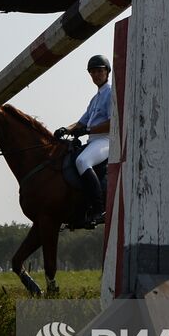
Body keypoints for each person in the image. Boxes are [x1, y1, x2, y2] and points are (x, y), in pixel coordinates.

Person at [54, 54, 113, 228]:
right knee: (70, 158)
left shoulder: (110, 93)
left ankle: (99, 209)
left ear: (107, 72)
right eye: (92, 72)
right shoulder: (94, 99)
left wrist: (87, 130)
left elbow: (112, 122)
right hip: (93, 140)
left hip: (106, 140)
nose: (96, 75)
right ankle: (81, 211)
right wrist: (66, 129)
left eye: (99, 71)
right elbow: (81, 122)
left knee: (82, 160)